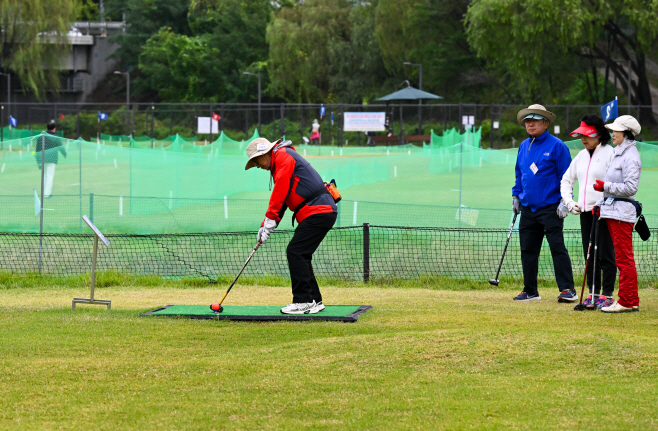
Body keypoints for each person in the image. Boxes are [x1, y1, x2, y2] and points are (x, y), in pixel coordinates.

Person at [245, 137, 337, 315]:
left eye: (256, 161)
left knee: (295, 251)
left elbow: (280, 191)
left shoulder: (283, 156)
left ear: (265, 154)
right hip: (319, 211)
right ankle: (315, 300)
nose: (258, 166)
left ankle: (303, 301)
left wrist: (270, 220)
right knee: (301, 253)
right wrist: (266, 226)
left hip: (318, 211)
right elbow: (285, 199)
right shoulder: (281, 159)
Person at [512, 104, 575, 302]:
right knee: (528, 250)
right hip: (528, 208)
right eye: (527, 121)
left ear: (545, 123)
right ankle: (530, 290)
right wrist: (516, 196)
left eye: (534, 121)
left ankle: (567, 290)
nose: (530, 124)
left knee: (557, 248)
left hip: (551, 207)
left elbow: (568, 176)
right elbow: (519, 174)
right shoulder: (523, 146)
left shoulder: (557, 146)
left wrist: (565, 202)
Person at [561, 114, 616, 309]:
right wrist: (569, 202)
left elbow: (616, 184)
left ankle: (607, 295)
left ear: (599, 134)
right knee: (589, 254)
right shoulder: (581, 156)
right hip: (586, 213)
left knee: (606, 254)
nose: (583, 139)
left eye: (588, 135)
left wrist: (605, 203)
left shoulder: (611, 153)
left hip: (606, 212)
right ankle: (592, 294)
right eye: (581, 135)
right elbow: (566, 180)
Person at [593, 115, 643, 313]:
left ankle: (625, 301)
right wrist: (600, 202)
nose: (613, 134)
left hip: (622, 214)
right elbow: (612, 190)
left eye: (616, 131)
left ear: (627, 133)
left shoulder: (630, 156)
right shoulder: (619, 154)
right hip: (614, 211)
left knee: (623, 259)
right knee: (623, 257)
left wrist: (605, 186)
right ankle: (632, 299)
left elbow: (631, 188)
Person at [35, 121, 67, 198]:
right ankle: (47, 194)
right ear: (54, 129)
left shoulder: (41, 136)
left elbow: (37, 149)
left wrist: (38, 161)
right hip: (52, 159)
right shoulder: (55, 137)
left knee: (45, 176)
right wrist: (64, 154)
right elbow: (60, 146)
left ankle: (44, 193)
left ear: (47, 128)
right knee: (49, 176)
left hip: (42, 159)